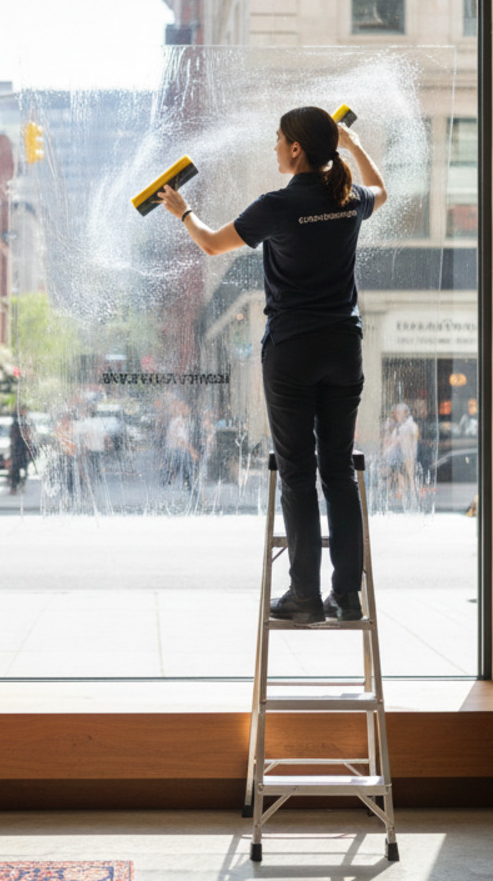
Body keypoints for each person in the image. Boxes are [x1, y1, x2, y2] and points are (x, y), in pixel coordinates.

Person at [159, 105, 386, 623]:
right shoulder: (348, 198)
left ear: (296, 149)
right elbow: (383, 190)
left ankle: (304, 595)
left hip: (291, 350)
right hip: (343, 347)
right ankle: (347, 596)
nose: (274, 147)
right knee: (338, 472)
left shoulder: (278, 205)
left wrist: (183, 211)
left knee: (298, 472)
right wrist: (351, 145)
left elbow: (214, 244)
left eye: (278, 139)